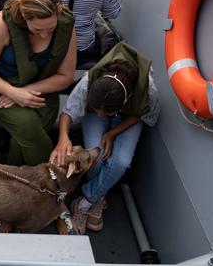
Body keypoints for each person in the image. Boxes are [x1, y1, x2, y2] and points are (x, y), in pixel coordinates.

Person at [49, 41, 159, 235]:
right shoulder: (89, 82)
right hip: (110, 109)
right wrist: (63, 137)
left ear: (123, 102)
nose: (100, 115)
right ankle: (100, 195)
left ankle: (86, 201)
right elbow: (68, 113)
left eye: (104, 114)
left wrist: (112, 133)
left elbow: (143, 113)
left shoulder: (147, 89)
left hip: (128, 118)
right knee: (96, 159)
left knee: (122, 162)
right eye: (96, 110)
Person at [0, 0, 76, 166]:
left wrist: (24, 91)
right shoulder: (1, 24)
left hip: (44, 91)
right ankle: (53, 179)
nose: (44, 34)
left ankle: (13, 178)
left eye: (51, 29)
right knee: (28, 125)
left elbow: (65, 76)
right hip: (1, 92)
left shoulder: (66, 27)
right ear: (24, 16)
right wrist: (12, 92)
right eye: (37, 29)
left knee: (22, 140)